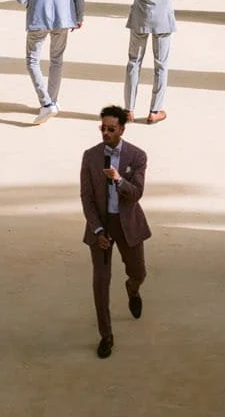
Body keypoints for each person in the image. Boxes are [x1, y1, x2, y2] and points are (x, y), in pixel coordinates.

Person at [81, 104, 151, 357]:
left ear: (122, 129)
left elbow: (137, 193)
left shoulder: (137, 156)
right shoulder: (90, 156)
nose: (106, 133)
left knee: (138, 271)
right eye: (103, 128)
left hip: (127, 224)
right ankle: (106, 335)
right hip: (101, 225)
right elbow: (87, 197)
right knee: (100, 283)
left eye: (111, 129)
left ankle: (133, 289)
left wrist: (119, 180)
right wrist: (98, 230)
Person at [15, 0, 84, 123]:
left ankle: (46, 103)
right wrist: (79, 16)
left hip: (38, 18)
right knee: (57, 60)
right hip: (63, 18)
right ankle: (52, 100)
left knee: (32, 61)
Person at [124, 0, 182, 124]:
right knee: (161, 64)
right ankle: (155, 110)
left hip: (140, 16)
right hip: (163, 18)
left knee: (134, 62)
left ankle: (129, 109)